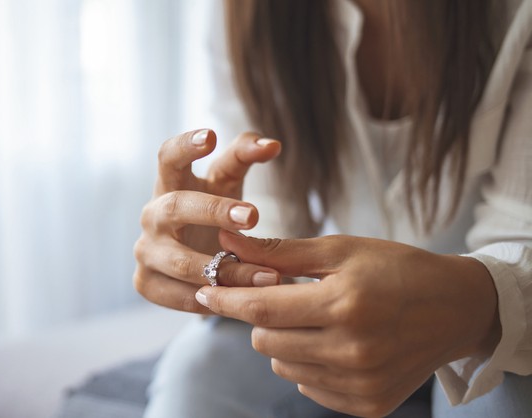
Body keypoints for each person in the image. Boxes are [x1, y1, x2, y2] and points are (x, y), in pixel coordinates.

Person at [133, 0, 532, 417]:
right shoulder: (246, 12)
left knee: (503, 397)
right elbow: (271, 213)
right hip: (330, 311)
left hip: (475, 319)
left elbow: (522, 238)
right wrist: (223, 253)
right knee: (198, 375)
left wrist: (477, 305)